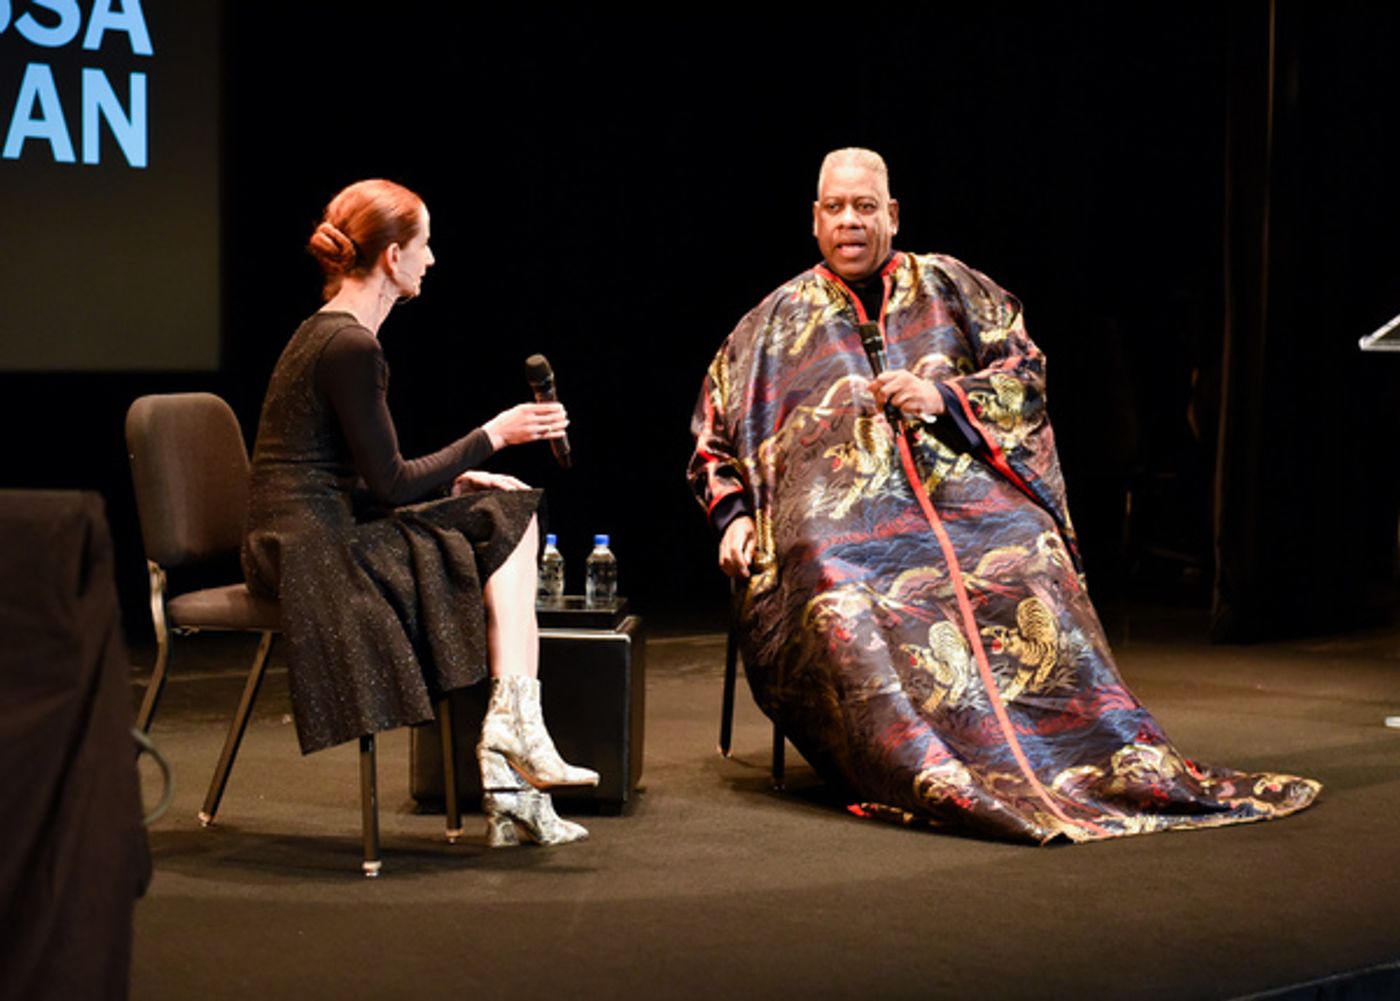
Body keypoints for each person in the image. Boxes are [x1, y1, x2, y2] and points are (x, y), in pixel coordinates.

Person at [688, 148, 1320, 843]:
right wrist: (734, 515)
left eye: (865, 207)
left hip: (965, 503)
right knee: (839, 580)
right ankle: (915, 764)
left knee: (1031, 548)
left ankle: (1081, 757)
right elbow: (713, 435)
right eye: (835, 208)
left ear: (892, 214)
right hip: (837, 529)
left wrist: (943, 397)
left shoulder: (950, 286)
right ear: (814, 220)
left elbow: (1027, 374)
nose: (850, 222)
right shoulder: (771, 324)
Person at [243, 178, 596, 848]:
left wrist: (458, 480)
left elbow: (378, 482)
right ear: (390, 257)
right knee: (508, 516)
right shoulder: (351, 346)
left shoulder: (334, 335)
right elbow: (394, 485)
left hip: (312, 531)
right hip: (310, 551)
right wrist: (495, 433)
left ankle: (514, 753)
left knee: (501, 510)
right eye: (424, 244)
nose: (431, 259)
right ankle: (514, 739)